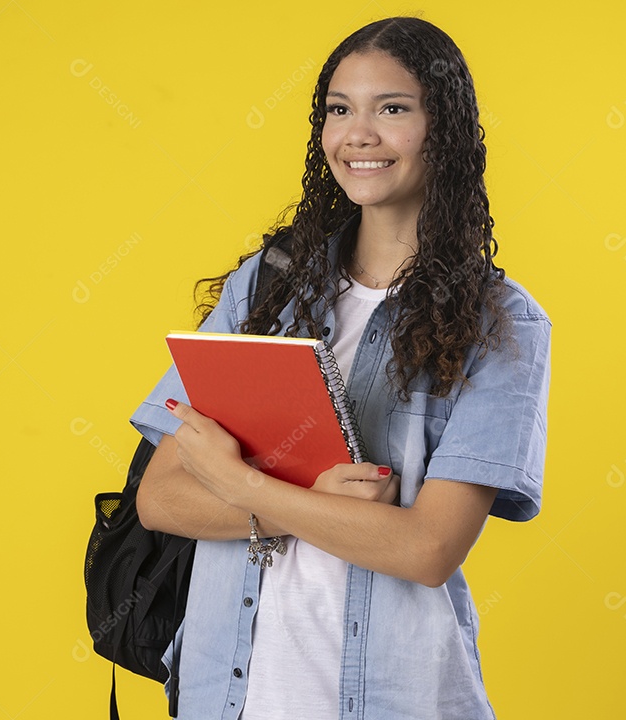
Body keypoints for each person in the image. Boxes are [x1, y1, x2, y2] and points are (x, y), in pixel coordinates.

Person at [131, 16, 551, 719]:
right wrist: (314, 506)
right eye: (338, 109)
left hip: (395, 698)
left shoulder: (499, 321)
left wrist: (239, 485)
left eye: (392, 108)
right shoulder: (266, 287)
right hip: (227, 697)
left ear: (441, 129)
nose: (358, 134)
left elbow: (426, 549)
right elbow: (162, 499)